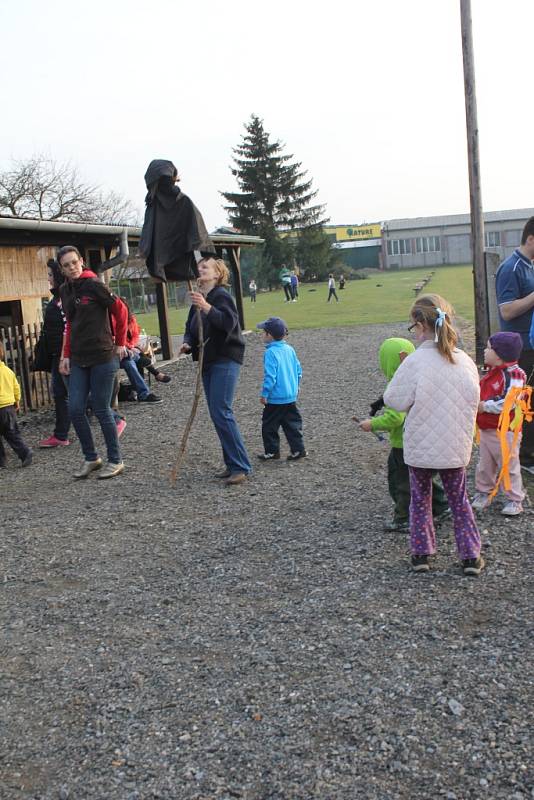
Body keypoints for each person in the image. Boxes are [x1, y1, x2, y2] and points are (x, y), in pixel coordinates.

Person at [384, 294, 483, 576]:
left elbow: (393, 399)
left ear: (420, 325)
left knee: (420, 500)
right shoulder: (464, 361)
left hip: (421, 446)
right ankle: (470, 555)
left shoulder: (415, 362)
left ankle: (421, 552)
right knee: (459, 500)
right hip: (454, 444)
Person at [358, 337, 450, 531]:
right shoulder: (420, 375)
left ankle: (405, 517)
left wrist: (372, 424)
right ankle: (441, 506)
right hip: (423, 438)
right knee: (422, 476)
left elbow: (395, 418)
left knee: (402, 481)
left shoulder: (399, 383)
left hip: (404, 444)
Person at [180, 256, 252, 485]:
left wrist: (207, 307)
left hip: (225, 358)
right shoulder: (200, 299)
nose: (200, 269)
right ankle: (232, 463)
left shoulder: (221, 296)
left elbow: (230, 323)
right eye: (199, 267)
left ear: (217, 274)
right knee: (216, 413)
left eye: (205, 267)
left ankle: (240, 466)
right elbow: (191, 327)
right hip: (208, 360)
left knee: (222, 411)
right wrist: (187, 342)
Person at [58, 246, 128, 479]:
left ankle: (115, 460)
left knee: (101, 408)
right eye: (66, 265)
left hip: (103, 356)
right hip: (78, 358)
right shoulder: (64, 290)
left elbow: (121, 311)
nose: (72, 268)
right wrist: (65, 355)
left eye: (74, 263)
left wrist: (121, 342)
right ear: (62, 269)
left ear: (81, 262)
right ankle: (91, 458)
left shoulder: (95, 285)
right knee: (75, 408)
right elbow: (69, 325)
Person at [495, 216, 534, 473]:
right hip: (520, 348)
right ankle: (525, 459)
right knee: (524, 403)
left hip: (531, 343)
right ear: (531, 239)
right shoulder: (511, 268)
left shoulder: (529, 265)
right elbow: (507, 311)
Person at [472, 332, 526, 516]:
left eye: (488, 348)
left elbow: (509, 402)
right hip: (487, 428)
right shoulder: (492, 372)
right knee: (485, 464)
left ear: (499, 353)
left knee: (508, 464)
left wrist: (483, 406)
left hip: (506, 431)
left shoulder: (515, 375)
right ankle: (483, 492)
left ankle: (514, 499)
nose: (485, 351)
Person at [256, 316, 307, 462]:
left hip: (276, 398)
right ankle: (299, 449)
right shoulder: (289, 349)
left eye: (263, 332)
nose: (261, 334)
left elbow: (270, 377)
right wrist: (296, 387)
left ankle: (272, 452)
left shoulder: (270, 353)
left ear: (269, 335)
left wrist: (264, 394)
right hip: (290, 396)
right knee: (292, 424)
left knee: (269, 426)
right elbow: (298, 370)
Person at [38, 259, 71, 448]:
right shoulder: (58, 297)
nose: (48, 278)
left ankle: (113, 418)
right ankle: (60, 434)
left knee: (76, 393)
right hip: (58, 355)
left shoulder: (62, 299)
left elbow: (67, 327)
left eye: (50, 274)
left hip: (63, 356)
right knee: (61, 393)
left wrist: (63, 356)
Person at [119, 299, 162, 404]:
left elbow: (135, 335)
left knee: (130, 361)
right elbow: (117, 339)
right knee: (135, 357)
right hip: (117, 354)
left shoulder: (131, 319)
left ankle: (143, 394)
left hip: (127, 352)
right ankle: (155, 373)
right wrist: (130, 347)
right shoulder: (112, 320)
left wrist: (131, 346)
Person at [0, 341, 32, 468]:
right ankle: (25, 453)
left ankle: (1, 461)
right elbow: (16, 387)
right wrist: (16, 401)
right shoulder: (8, 371)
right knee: (12, 434)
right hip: (8, 407)